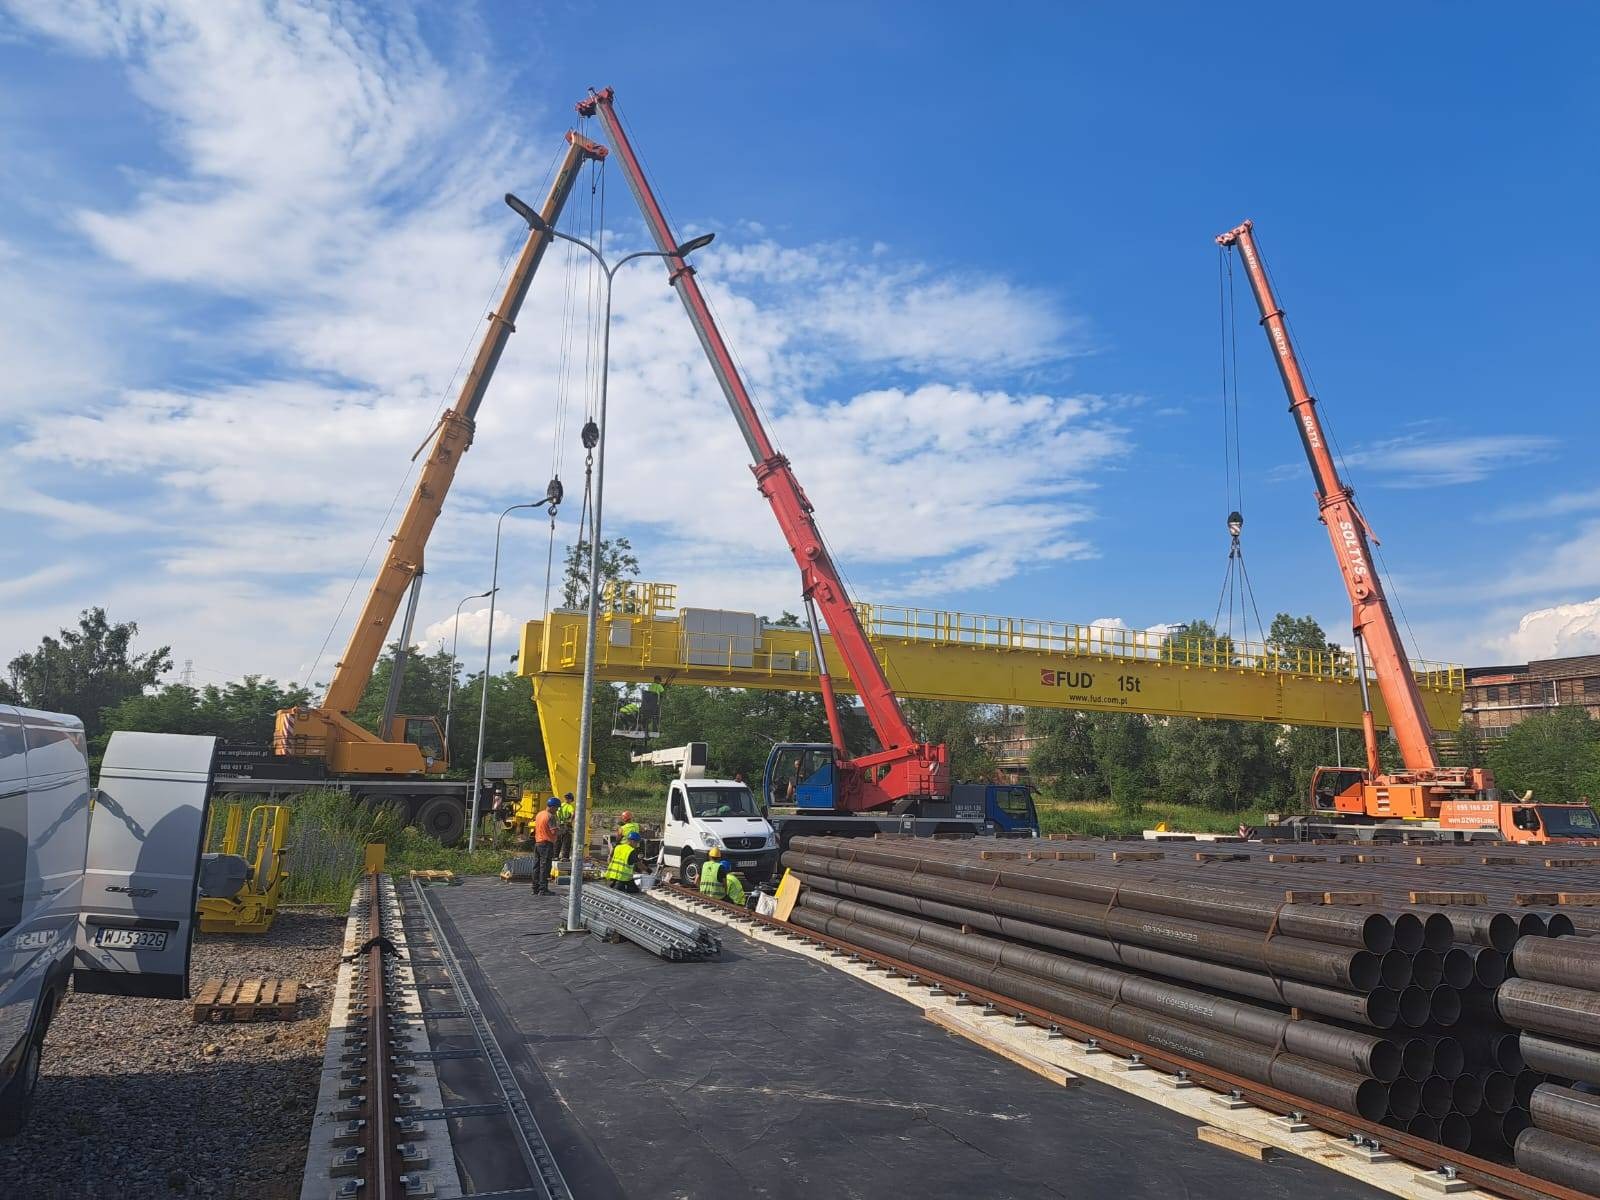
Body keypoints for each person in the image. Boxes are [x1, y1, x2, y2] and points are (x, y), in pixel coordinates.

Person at [531, 797, 559, 896]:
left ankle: (535, 888)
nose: (557, 810)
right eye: (556, 808)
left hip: (538, 843)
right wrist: (560, 830)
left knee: (537, 866)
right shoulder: (550, 816)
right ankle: (543, 889)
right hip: (546, 844)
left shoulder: (539, 814)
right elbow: (553, 831)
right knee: (545, 867)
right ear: (552, 807)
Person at [556, 792, 576, 859]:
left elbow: (556, 814)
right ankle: (564, 857)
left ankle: (555, 856)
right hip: (566, 825)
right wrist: (570, 820)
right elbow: (573, 814)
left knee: (558, 841)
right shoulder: (569, 806)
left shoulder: (560, 806)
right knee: (566, 842)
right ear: (571, 799)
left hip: (559, 825)